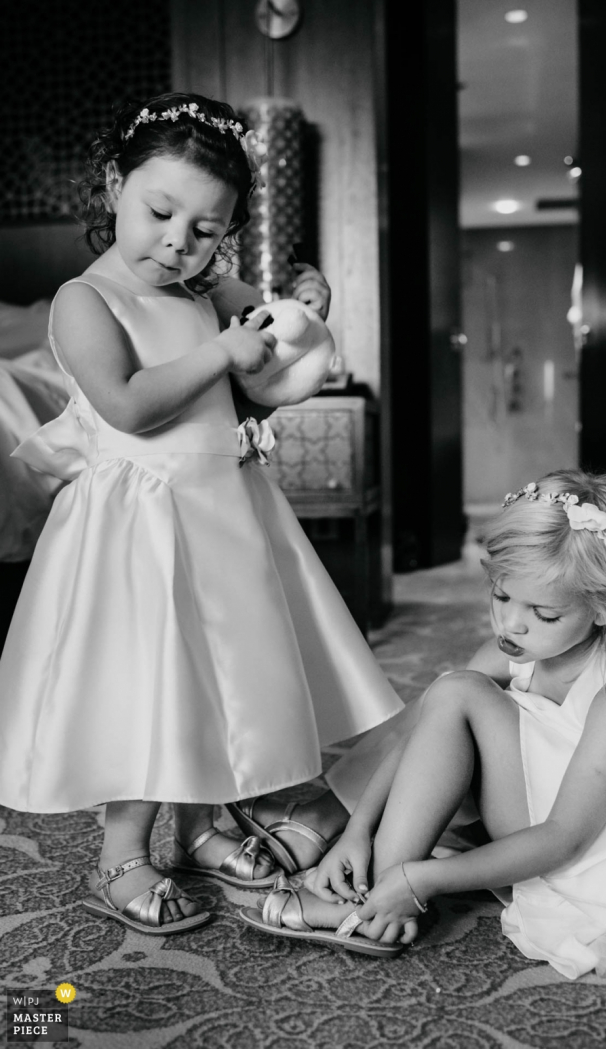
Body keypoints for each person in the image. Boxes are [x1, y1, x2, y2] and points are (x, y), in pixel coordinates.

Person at [0, 92, 402, 935]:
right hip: (136, 526)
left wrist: (299, 311)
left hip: (223, 510)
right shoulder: (85, 299)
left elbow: (267, 331)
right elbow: (127, 401)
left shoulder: (203, 284)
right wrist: (222, 348)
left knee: (230, 678)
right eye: (160, 211)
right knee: (152, 684)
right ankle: (124, 849)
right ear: (114, 185)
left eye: (208, 227)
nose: (180, 240)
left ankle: (201, 824)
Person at [240, 470, 606, 978]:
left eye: (543, 614)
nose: (511, 624)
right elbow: (425, 733)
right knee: (451, 691)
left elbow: (566, 836)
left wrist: (426, 879)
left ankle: (374, 898)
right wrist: (358, 828)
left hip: (601, 851)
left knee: (460, 691)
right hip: (543, 814)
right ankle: (371, 876)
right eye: (501, 597)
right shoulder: (517, 650)